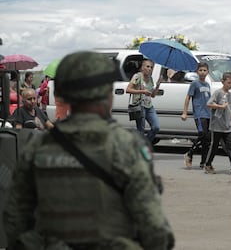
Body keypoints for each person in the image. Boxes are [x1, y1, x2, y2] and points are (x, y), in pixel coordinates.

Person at [4, 51, 175, 250]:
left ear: (63, 96)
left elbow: (14, 220)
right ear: (108, 96)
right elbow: (156, 232)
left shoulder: (37, 147)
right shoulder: (128, 147)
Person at [204, 72, 231, 175]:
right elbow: (209, 104)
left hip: (227, 125)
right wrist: (220, 106)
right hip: (217, 126)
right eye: (229, 83)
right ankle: (208, 164)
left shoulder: (230, 95)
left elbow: (229, 110)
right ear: (223, 82)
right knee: (214, 146)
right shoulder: (218, 93)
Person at [181, 62, 211, 169]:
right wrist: (184, 112)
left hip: (208, 114)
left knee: (207, 140)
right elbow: (188, 97)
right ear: (197, 72)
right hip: (199, 114)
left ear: (208, 72)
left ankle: (204, 162)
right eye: (200, 70)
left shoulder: (207, 85)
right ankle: (189, 153)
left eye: (204, 70)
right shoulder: (194, 84)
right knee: (203, 134)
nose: (202, 72)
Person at [126, 59, 162, 144]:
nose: (149, 69)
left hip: (149, 106)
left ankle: (145, 144)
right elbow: (128, 89)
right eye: (147, 66)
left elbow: (153, 95)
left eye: (151, 67)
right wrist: (142, 91)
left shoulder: (151, 79)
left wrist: (158, 85)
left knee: (156, 127)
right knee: (141, 130)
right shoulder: (137, 76)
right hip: (139, 106)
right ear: (142, 67)